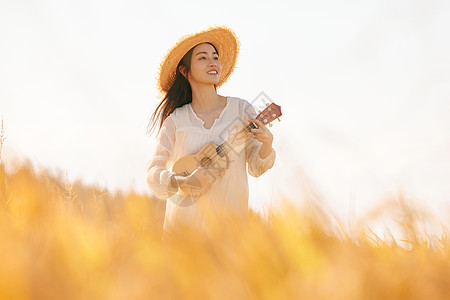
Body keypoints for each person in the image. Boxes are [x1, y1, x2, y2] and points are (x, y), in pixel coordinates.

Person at [146, 26, 276, 235]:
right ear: (184, 70)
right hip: (183, 231)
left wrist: (267, 144)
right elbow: (153, 174)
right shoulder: (176, 121)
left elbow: (256, 166)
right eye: (203, 58)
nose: (213, 62)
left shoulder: (241, 110)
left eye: (215, 57)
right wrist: (184, 181)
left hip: (229, 229)